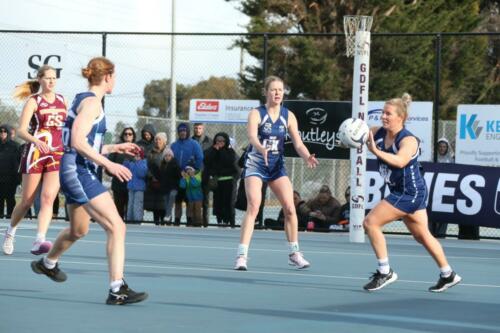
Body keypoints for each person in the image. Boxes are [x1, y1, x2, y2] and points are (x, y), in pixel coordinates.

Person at [30, 57, 147, 305]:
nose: (115, 81)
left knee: (79, 229)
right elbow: (77, 143)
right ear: (107, 77)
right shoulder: (93, 103)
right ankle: (117, 289)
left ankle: (48, 263)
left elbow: (84, 142)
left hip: (72, 168)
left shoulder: (82, 99)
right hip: (79, 171)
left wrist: (116, 147)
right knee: (117, 227)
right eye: (114, 76)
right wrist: (110, 164)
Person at [363, 93, 461, 293]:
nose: (383, 116)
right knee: (422, 235)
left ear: (401, 118)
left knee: (370, 223)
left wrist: (375, 151)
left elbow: (400, 161)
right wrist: (349, 136)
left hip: (409, 192)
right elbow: (359, 134)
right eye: (383, 112)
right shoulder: (378, 132)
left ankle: (385, 272)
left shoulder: (409, 140)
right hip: (406, 191)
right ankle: (448, 274)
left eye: (388, 113)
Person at [234, 75, 318, 271]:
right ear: (266, 92)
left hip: (276, 166)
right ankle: (241, 256)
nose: (278, 93)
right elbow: (252, 137)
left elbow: (297, 143)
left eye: (280, 90)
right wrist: (261, 148)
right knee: (254, 206)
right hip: (256, 163)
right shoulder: (257, 113)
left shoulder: (288, 115)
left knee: (290, 208)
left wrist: (306, 156)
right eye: (274, 89)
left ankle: (294, 253)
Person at [2, 65, 67, 256]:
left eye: (54, 78)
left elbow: (66, 127)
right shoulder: (34, 101)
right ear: (39, 80)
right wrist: (37, 142)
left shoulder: (62, 100)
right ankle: (10, 232)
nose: (52, 81)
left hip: (56, 153)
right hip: (36, 153)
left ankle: (39, 240)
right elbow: (21, 130)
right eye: (47, 78)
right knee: (26, 201)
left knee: (48, 198)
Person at [203, 132, 239, 227]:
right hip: (217, 182)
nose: (219, 143)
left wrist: (221, 151)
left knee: (229, 203)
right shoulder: (212, 150)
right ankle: (220, 221)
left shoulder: (230, 152)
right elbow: (206, 160)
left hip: (229, 182)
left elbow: (229, 162)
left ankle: (231, 223)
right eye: (217, 141)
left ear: (226, 141)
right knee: (218, 203)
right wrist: (214, 150)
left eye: (222, 141)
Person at [171, 123, 204, 226]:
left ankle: (189, 219)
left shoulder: (194, 144)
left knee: (189, 199)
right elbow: (171, 160)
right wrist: (177, 171)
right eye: (180, 131)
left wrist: (193, 170)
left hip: (189, 176)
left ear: (188, 131)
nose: (182, 133)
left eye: (184, 131)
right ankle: (177, 219)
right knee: (178, 199)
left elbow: (200, 158)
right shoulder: (174, 145)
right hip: (178, 176)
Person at [108, 127, 137, 219]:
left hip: (132, 184)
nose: (128, 135)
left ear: (133, 136)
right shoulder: (117, 147)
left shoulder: (136, 148)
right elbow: (109, 164)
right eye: (126, 134)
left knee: (130, 209)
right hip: (118, 183)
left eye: (130, 134)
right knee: (119, 209)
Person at [144, 132, 169, 225]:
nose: (157, 141)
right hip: (153, 184)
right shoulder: (150, 153)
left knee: (163, 206)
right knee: (155, 207)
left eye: (160, 139)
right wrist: (151, 176)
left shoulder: (168, 152)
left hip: (165, 183)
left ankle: (164, 223)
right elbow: (146, 166)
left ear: (164, 141)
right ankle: (156, 224)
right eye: (156, 139)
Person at [192, 122, 213, 227]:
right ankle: (195, 221)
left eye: (199, 128)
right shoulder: (190, 141)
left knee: (205, 200)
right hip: (193, 174)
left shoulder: (209, 141)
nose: (198, 130)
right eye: (196, 128)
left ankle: (205, 222)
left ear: (203, 129)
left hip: (206, 174)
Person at [0, 124, 21, 219]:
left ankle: (10, 218)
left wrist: (18, 178)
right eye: (1, 131)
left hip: (11, 178)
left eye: (5, 131)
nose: (2, 133)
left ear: (8, 133)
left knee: (10, 199)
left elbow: (18, 163)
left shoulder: (15, 146)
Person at [124, 147, 148, 223]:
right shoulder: (131, 163)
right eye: (135, 155)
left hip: (139, 188)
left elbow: (141, 174)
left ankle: (138, 220)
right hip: (131, 187)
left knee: (137, 205)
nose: (136, 157)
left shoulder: (143, 163)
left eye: (138, 155)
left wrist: (138, 162)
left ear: (141, 156)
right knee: (130, 204)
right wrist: (127, 160)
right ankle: (129, 219)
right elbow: (125, 169)